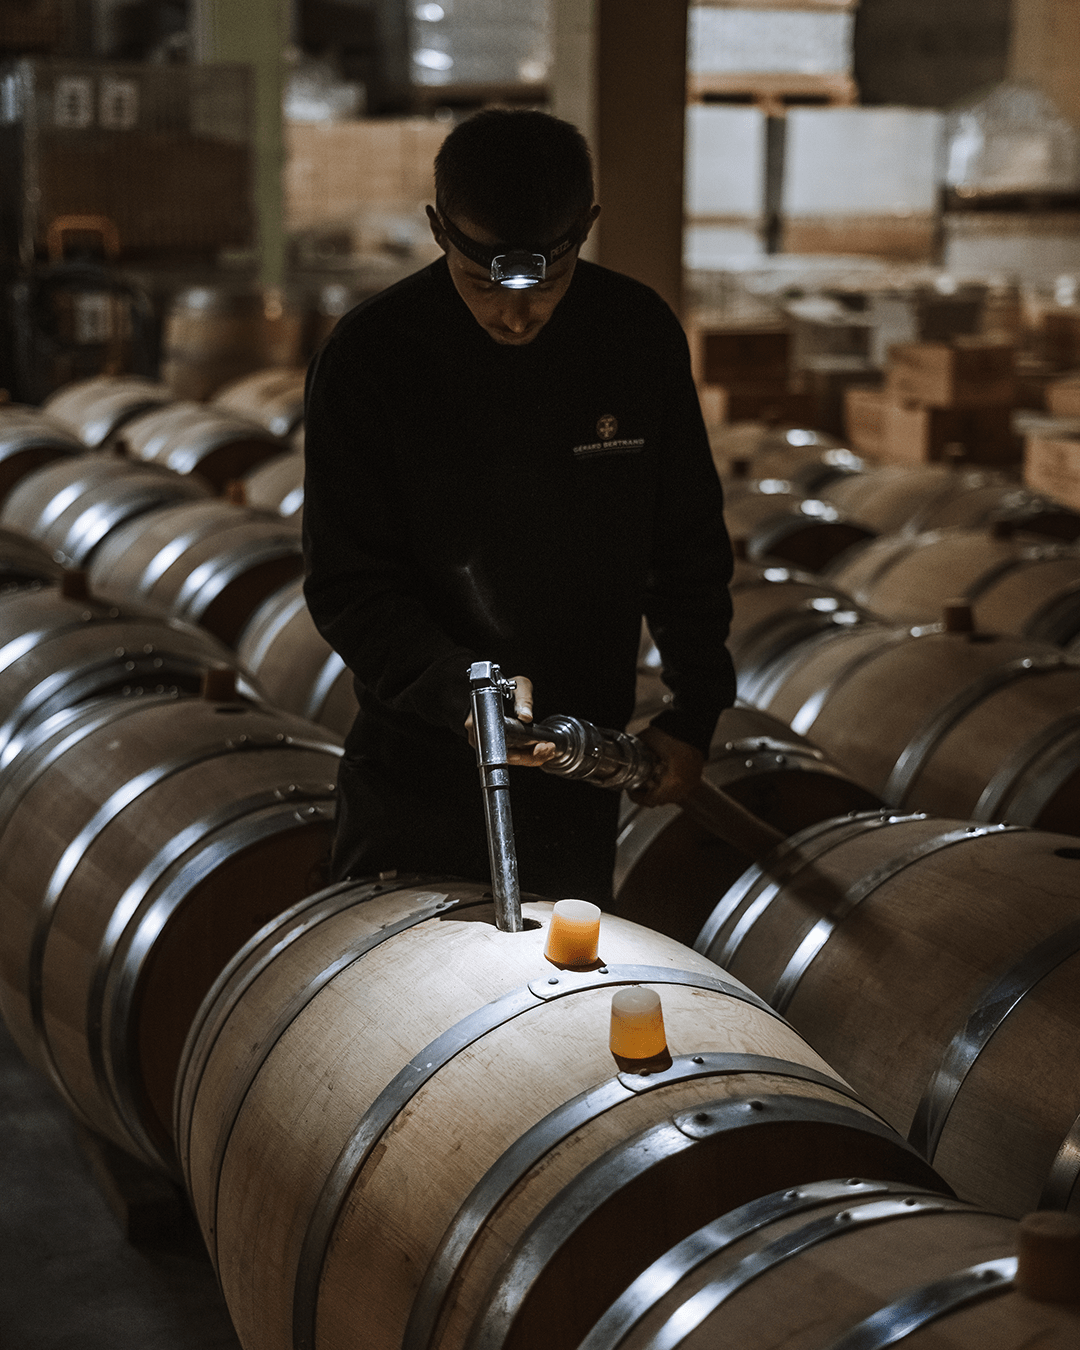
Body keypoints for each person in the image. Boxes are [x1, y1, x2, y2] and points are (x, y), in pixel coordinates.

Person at [302, 108, 735, 904]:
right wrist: (458, 689)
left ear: (586, 229)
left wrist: (693, 711)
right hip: (418, 764)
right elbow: (348, 583)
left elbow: (687, 546)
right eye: (482, 285)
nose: (516, 313)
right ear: (439, 229)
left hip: (578, 765)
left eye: (548, 285)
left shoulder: (636, 335)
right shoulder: (372, 357)